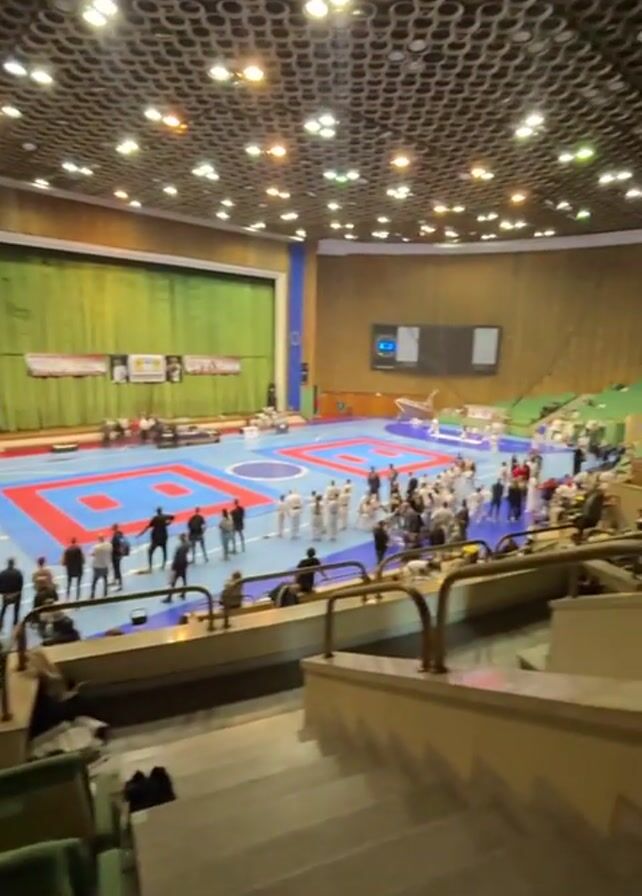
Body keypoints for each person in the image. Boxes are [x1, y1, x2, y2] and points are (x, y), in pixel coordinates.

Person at [164, 534, 190, 601]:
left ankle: (169, 597)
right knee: (184, 579)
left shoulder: (180, 547)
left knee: (173, 580)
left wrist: (173, 566)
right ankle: (183, 593)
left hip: (178, 564)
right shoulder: (187, 544)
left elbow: (178, 557)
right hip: (184, 563)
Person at [0, 558, 23, 632]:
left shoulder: (2, 573)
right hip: (16, 595)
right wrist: (16, 593)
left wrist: (3, 593)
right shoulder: (18, 573)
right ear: (13, 564)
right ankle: (15, 625)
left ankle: (0, 622)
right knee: (16, 610)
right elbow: (20, 585)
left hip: (6, 595)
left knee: (3, 609)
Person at [111, 523, 128, 591]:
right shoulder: (119, 534)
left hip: (116, 555)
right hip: (116, 554)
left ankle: (120, 585)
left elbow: (119, 545)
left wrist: (120, 553)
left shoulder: (117, 535)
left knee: (117, 569)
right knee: (116, 569)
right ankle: (116, 581)